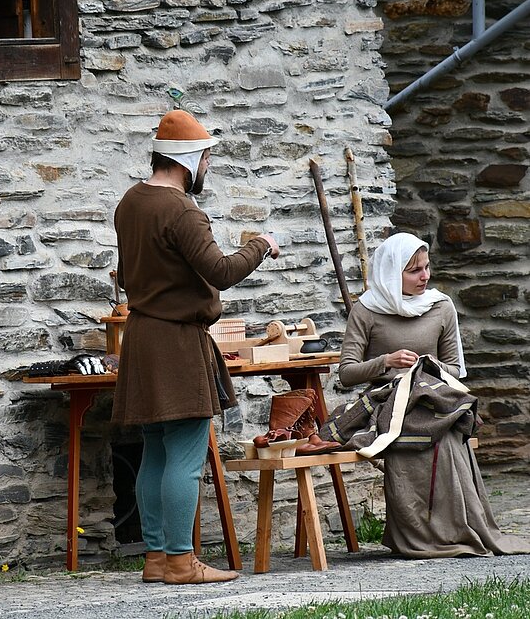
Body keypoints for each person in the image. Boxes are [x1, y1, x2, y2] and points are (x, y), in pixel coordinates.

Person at [111, 109, 280, 584]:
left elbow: (129, 275)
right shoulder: (181, 210)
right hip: (177, 343)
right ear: (189, 159)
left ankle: (156, 558)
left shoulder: (130, 202)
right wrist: (261, 243)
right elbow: (221, 272)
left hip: (141, 337)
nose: (207, 166)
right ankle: (181, 562)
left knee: (155, 452)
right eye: (206, 158)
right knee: (184, 457)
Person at [320, 232, 530, 558]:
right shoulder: (367, 310)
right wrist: (385, 362)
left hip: (433, 398)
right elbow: (346, 373)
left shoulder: (440, 306)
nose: (424, 276)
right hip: (387, 403)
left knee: (448, 434)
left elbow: (455, 370)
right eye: (414, 270)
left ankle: (455, 528)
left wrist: (427, 364)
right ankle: (418, 531)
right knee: (424, 433)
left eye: (427, 267)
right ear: (392, 273)